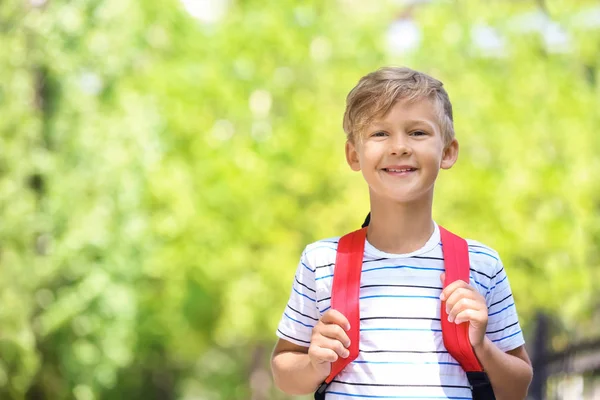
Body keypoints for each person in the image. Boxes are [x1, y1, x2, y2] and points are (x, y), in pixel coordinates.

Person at [270, 66, 533, 399]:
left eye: (418, 133)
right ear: (354, 154)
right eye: (380, 133)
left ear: (448, 151)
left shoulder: (482, 265)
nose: (399, 147)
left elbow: (518, 387)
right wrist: (314, 364)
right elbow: (283, 370)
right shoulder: (321, 262)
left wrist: (481, 346)